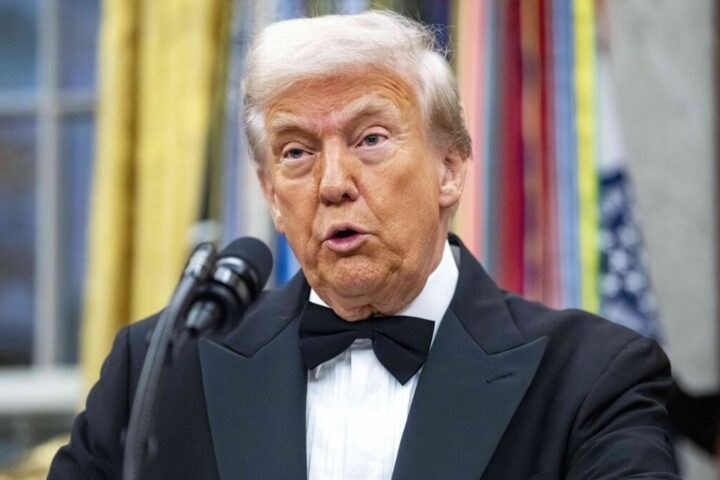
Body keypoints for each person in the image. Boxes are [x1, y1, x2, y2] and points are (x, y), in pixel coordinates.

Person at [49, 11, 679, 479]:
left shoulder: (592, 377)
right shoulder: (157, 370)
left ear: (450, 169)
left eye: (370, 139)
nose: (332, 183)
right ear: (271, 194)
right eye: (297, 152)